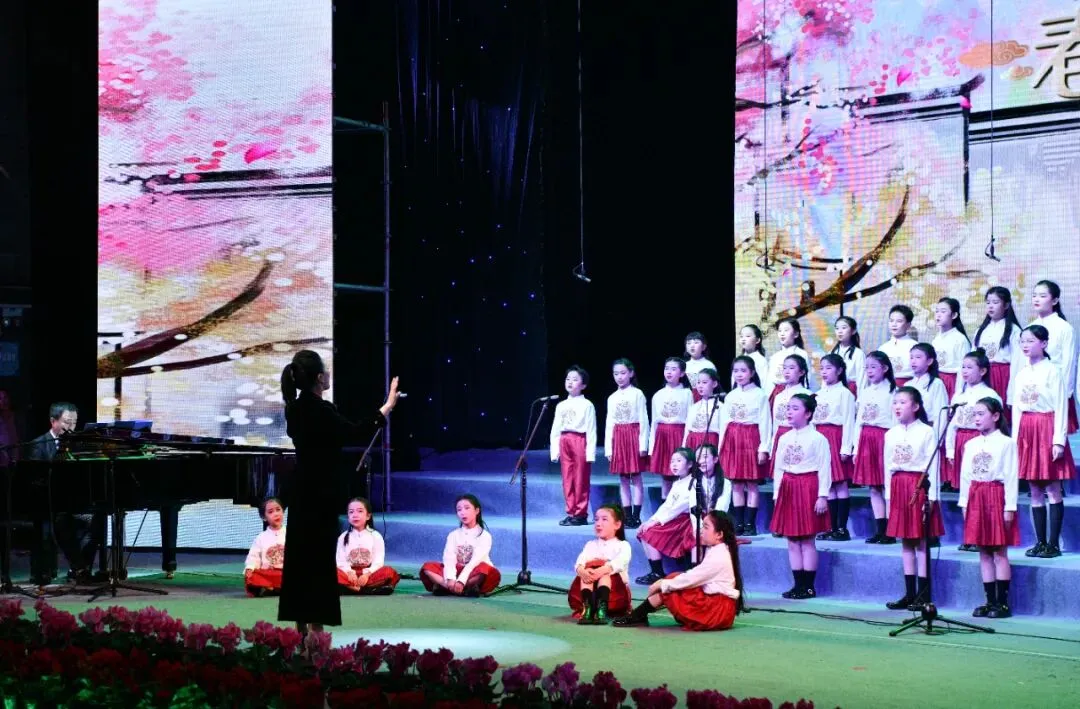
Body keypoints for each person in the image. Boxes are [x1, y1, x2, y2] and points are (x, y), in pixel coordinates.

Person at [277, 350, 400, 637]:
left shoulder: (294, 409)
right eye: (326, 371)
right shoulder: (321, 410)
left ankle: (301, 629)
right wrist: (387, 407)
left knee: (300, 560)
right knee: (319, 561)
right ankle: (316, 630)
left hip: (301, 491)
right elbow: (356, 432)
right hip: (320, 492)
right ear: (320, 378)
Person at [614, 511, 744, 631]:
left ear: (719, 534)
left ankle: (637, 615)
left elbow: (691, 578)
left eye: (705, 527)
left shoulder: (718, 556)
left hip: (716, 612)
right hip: (720, 609)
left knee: (672, 587)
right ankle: (639, 615)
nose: (701, 531)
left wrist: (661, 584)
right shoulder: (719, 549)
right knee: (674, 578)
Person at [25, 402, 105, 585]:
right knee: (62, 521)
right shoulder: (39, 445)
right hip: (49, 504)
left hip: (73, 503)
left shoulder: (77, 445)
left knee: (98, 518)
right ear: (53, 421)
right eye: (67, 422)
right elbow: (35, 480)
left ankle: (81, 567)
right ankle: (79, 568)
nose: (71, 428)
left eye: (74, 423)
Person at [1012, 325, 1073, 559]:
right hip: (1027, 430)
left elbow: (1061, 406)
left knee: (1052, 488)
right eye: (1023, 341)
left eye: (1030, 341)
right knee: (1034, 489)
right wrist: (1015, 440)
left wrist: (1058, 440)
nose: (1025, 345)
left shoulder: (1052, 371)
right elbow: (1017, 409)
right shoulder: (1022, 373)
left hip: (1046, 427)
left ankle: (1053, 544)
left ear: (1044, 344)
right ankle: (1040, 542)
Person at [884, 387, 944, 612]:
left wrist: (933, 497)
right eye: (895, 402)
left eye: (903, 402)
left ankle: (923, 594)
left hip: (918, 486)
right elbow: (887, 467)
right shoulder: (891, 434)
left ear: (916, 406)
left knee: (921, 542)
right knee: (906, 542)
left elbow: (933, 466)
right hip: (898, 486)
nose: (897, 406)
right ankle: (909, 594)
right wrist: (888, 498)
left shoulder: (926, 432)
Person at [958, 398, 1019, 618]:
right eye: (974, 414)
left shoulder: (1006, 443)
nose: (976, 418)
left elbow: (1011, 476)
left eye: (981, 414)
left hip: (996, 495)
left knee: (999, 551)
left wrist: (1009, 507)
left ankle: (1002, 603)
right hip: (976, 496)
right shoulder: (971, 444)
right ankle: (990, 600)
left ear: (995, 416)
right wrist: (964, 502)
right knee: (983, 551)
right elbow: (965, 475)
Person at [771, 394, 832, 599]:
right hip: (788, 487)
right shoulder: (784, 438)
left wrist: (822, 496)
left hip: (808, 487)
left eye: (795, 408)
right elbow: (779, 468)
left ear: (808, 414)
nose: (789, 412)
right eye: (788, 408)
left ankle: (808, 586)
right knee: (791, 539)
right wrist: (777, 494)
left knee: (806, 539)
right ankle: (797, 585)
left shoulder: (818, 438)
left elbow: (824, 468)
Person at [945, 350, 1001, 550]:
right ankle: (970, 535)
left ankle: (982, 535)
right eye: (963, 367)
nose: (965, 371)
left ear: (983, 371)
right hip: (961, 441)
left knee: (979, 490)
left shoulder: (989, 395)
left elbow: (997, 427)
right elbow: (952, 424)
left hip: (980, 441)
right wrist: (950, 449)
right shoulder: (959, 395)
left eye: (970, 367)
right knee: (965, 491)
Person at [717, 356, 771, 536]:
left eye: (743, 371)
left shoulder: (760, 395)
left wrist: (763, 448)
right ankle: (738, 523)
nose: (739, 374)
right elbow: (724, 423)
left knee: (751, 483)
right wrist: (720, 447)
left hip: (750, 439)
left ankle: (750, 524)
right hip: (732, 440)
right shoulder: (731, 396)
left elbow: (765, 423)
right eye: (736, 371)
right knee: (736, 484)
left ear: (752, 373)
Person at [852, 351, 898, 544]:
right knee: (873, 487)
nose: (869, 371)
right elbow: (859, 422)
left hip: (884, 439)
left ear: (885, 368)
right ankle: (880, 529)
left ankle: (890, 530)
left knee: (887, 485)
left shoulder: (893, 392)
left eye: (873, 367)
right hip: (866, 439)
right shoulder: (865, 391)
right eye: (867, 367)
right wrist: (856, 448)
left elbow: (895, 422)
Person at [420, 494, 501, 596]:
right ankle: (456, 587)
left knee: (485, 570)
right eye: (459, 510)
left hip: (473, 571)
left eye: (467, 508)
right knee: (427, 567)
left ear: (477, 511)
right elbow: (449, 558)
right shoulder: (453, 535)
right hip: (456, 570)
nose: (463, 512)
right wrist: (450, 578)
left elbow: (475, 561)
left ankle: (451, 587)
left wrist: (461, 581)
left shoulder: (485, 536)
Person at [635, 448, 696, 584]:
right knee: (643, 531)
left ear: (690, 464)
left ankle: (658, 573)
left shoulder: (693, 482)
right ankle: (655, 571)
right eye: (672, 461)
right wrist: (651, 520)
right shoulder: (677, 483)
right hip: (673, 518)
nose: (674, 464)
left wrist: (657, 521)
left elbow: (678, 508)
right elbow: (667, 505)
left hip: (684, 521)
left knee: (649, 533)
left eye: (679, 461)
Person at [813, 354, 856, 541]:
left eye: (828, 368)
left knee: (840, 483)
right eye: (822, 368)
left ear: (839, 371)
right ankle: (830, 527)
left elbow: (848, 421)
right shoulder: (818, 393)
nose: (824, 372)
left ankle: (842, 528)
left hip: (836, 438)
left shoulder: (844, 393)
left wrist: (846, 447)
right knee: (827, 483)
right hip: (820, 437)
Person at [604, 359, 649, 528]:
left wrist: (643, 445)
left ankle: (636, 516)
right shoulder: (612, 397)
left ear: (631, 373)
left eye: (623, 373)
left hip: (633, 435)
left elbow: (644, 420)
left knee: (636, 477)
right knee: (623, 479)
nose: (619, 377)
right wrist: (609, 448)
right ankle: (627, 516)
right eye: (616, 374)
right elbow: (609, 423)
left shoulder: (637, 394)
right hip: (619, 437)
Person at [568, 505, 632, 624]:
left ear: (617, 525)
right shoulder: (590, 544)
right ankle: (588, 609)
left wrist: (601, 570)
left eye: (604, 519)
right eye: (596, 519)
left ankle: (602, 610)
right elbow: (581, 560)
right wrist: (582, 571)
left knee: (603, 571)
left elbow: (620, 562)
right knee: (588, 569)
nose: (598, 523)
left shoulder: (623, 545)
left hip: (615, 592)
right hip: (592, 583)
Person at [1029, 280, 1078, 434]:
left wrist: (1065, 395)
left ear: (1055, 300)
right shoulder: (1030, 327)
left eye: (1042, 296)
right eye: (1034, 295)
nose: (1037, 299)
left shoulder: (1064, 328)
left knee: (1056, 434)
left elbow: (1069, 364)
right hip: (1033, 387)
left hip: (1055, 387)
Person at [550, 366, 596, 527]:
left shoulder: (587, 405)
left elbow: (591, 429)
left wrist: (590, 453)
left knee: (580, 478)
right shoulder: (561, 405)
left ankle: (580, 513)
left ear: (583, 385)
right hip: (565, 440)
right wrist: (554, 451)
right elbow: (556, 429)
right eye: (568, 379)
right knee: (567, 478)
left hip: (579, 440)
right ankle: (570, 511)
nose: (570, 382)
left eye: (575, 379)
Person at [972, 286, 1022, 422]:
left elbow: (1018, 363)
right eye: (988, 302)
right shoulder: (981, 330)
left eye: (995, 302)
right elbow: (973, 358)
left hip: (1002, 377)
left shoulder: (1014, 330)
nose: (990, 306)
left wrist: (1012, 393)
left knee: (999, 417)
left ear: (1006, 305)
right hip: (983, 376)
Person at [648, 357, 694, 499]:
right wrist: (651, 447)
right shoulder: (658, 395)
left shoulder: (687, 393)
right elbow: (654, 422)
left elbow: (690, 420)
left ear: (682, 373)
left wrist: (686, 443)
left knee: (681, 472)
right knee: (666, 474)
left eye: (673, 369)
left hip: (679, 433)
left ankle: (682, 503)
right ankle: (666, 503)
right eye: (667, 368)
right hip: (662, 435)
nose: (669, 372)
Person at [336, 497, 399, 595]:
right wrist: (349, 572)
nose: (355, 515)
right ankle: (361, 589)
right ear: (348, 516)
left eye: (360, 511)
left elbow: (378, 561)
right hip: (348, 574)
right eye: (351, 512)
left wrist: (367, 574)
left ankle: (349, 587)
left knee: (389, 571)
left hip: (368, 574)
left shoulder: (376, 536)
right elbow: (340, 560)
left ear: (368, 516)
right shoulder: (343, 537)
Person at [931, 297, 972, 401]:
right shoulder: (936, 338)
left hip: (951, 382)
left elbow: (962, 369)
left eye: (943, 311)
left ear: (954, 315)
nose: (938, 315)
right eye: (937, 311)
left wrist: (959, 392)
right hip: (936, 380)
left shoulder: (960, 339)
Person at [766, 317, 814, 404]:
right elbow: (770, 381)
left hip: (796, 394)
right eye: (780, 331)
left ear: (796, 334)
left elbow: (807, 378)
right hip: (776, 394)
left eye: (786, 330)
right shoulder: (774, 357)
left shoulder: (801, 354)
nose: (782, 334)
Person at [245, 497, 286, 596]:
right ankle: (271, 587)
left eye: (278, 510)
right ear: (264, 517)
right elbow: (253, 556)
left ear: (283, 511)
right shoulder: (261, 537)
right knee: (252, 576)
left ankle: (271, 588)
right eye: (271, 512)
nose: (276, 514)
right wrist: (250, 568)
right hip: (268, 574)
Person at [879, 305, 917, 387]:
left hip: (909, 387)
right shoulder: (882, 348)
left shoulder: (915, 346)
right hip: (887, 386)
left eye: (899, 321)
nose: (894, 324)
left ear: (908, 325)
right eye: (891, 321)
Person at [831, 316, 865, 395]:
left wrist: (861, 398)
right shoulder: (832, 353)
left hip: (851, 392)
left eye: (844, 328)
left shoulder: (858, 354)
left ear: (853, 331)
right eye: (837, 328)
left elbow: (862, 379)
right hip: (833, 392)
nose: (840, 331)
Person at [683, 332, 715, 403]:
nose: (692, 345)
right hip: (687, 399)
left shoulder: (708, 365)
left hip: (704, 399)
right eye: (689, 343)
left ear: (704, 347)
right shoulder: (684, 365)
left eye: (696, 342)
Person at [734, 325, 768, 391]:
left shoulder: (761, 360)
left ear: (757, 340)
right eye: (741, 336)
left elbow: (764, 383)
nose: (743, 339)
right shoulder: (738, 359)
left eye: (747, 336)